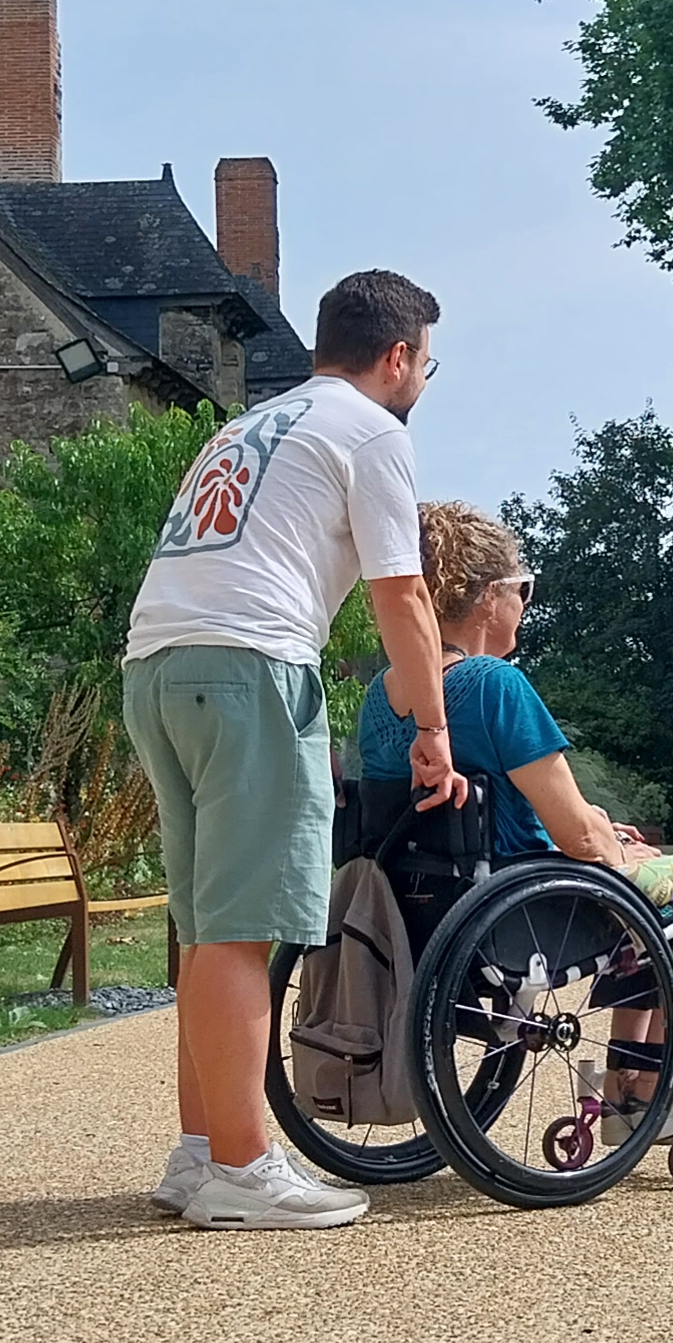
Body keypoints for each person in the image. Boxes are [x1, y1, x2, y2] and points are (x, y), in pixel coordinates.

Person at [130, 270, 465, 1230]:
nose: (422, 386)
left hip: (158, 666)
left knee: (205, 926)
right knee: (244, 926)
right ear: (397, 357)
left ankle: (201, 1153)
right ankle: (242, 1166)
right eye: (426, 368)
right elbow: (401, 595)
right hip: (250, 668)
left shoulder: (251, 426)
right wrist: (433, 733)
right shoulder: (373, 433)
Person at [356, 500, 673, 1119]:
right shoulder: (493, 684)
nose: (525, 603)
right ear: (489, 597)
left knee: (629, 866)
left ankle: (628, 1078)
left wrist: (604, 831)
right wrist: (622, 849)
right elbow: (580, 839)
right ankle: (647, 1082)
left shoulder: (378, 701)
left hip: (427, 912)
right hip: (530, 910)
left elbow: (490, 811)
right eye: (524, 588)